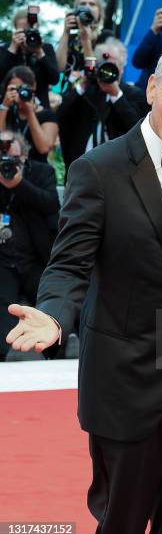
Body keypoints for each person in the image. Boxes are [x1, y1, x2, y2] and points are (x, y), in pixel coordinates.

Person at [5, 43, 162, 534]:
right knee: (120, 525)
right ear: (151, 89)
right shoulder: (98, 168)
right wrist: (55, 317)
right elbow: (68, 264)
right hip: (124, 380)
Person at [0, 131, 59, 361]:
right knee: (3, 304)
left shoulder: (42, 171)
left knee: (50, 297)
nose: (4, 150)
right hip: (4, 261)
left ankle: (57, 350)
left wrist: (18, 184)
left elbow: (50, 203)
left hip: (36, 257)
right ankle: (4, 357)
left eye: (9, 144)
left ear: (23, 152)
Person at [57, 37, 148, 174]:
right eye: (104, 64)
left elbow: (138, 130)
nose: (108, 68)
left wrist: (116, 95)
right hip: (83, 169)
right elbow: (61, 114)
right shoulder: (87, 92)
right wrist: (82, 86)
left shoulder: (133, 94)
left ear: (122, 68)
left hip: (119, 172)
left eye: (114, 64)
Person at [0, 8, 59, 109]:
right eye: (23, 31)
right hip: (10, 107)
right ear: (15, 30)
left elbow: (54, 79)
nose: (27, 35)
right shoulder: (6, 49)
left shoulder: (45, 48)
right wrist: (13, 48)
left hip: (39, 107)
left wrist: (39, 52)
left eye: (29, 30)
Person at [0, 66, 58, 163]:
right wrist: (4, 107)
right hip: (8, 168)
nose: (19, 93)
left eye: (22, 88)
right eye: (14, 89)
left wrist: (29, 112)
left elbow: (44, 148)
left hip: (36, 171)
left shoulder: (47, 116)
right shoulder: (6, 112)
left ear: (33, 86)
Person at [56, 0, 113, 85]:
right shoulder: (71, 38)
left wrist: (86, 41)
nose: (87, 8)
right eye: (82, 4)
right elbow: (58, 68)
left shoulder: (106, 36)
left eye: (92, 4)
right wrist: (65, 33)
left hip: (93, 95)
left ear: (100, 11)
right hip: (69, 96)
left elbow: (101, 73)